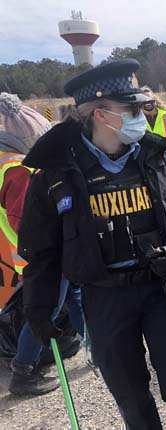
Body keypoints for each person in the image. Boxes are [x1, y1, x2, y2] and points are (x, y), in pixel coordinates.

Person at [18, 59, 166, 430]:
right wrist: (39, 307)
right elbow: (41, 252)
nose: (141, 116)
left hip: (161, 288)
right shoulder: (55, 174)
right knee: (129, 391)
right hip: (105, 296)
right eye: (130, 109)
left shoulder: (156, 157)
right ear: (100, 114)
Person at [0, 93, 85, 396]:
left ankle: (96, 346)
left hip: (35, 257)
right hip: (45, 259)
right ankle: (23, 372)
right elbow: (28, 222)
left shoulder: (4, 164)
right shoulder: (17, 170)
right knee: (44, 312)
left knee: (76, 297)